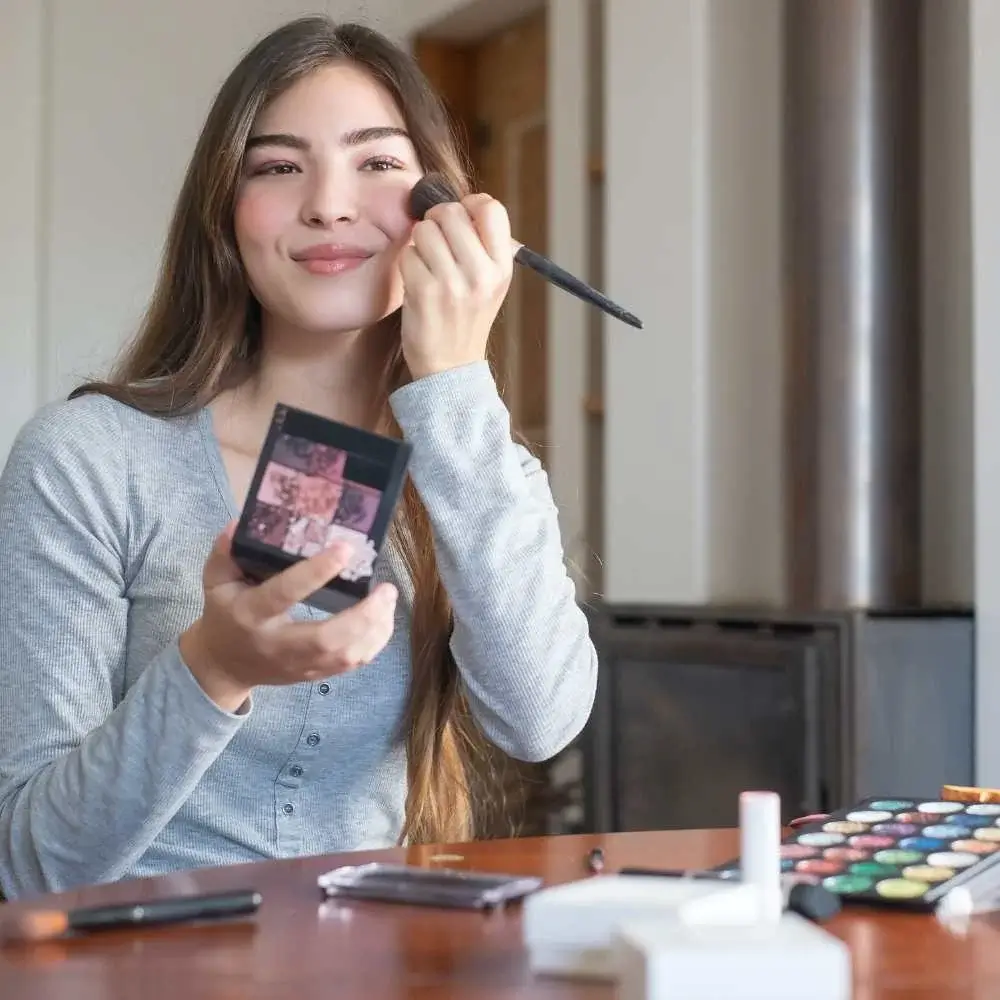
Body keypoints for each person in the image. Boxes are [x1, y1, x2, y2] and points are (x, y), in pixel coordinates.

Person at [0, 17, 597, 899]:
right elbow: (28, 864)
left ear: (445, 210)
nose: (328, 203)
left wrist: (457, 383)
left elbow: (539, 722)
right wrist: (215, 667)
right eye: (279, 167)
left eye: (380, 163)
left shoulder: (475, 466)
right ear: (224, 213)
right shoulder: (89, 458)